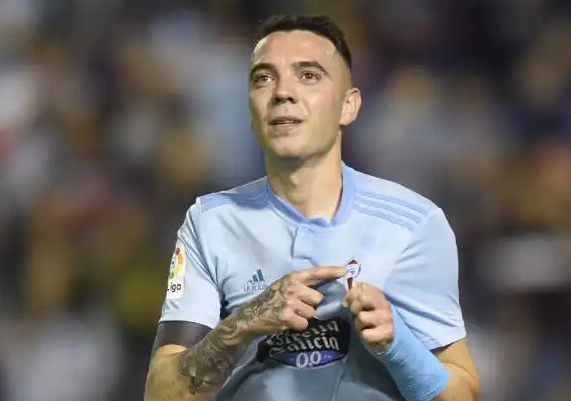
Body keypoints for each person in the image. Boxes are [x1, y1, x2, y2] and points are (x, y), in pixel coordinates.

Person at [144, 14, 480, 401]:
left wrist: (398, 344)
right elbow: (161, 393)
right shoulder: (210, 224)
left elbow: (463, 394)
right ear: (250, 109)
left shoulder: (414, 224)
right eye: (263, 78)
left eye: (308, 75)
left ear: (348, 106)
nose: (282, 92)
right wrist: (244, 323)